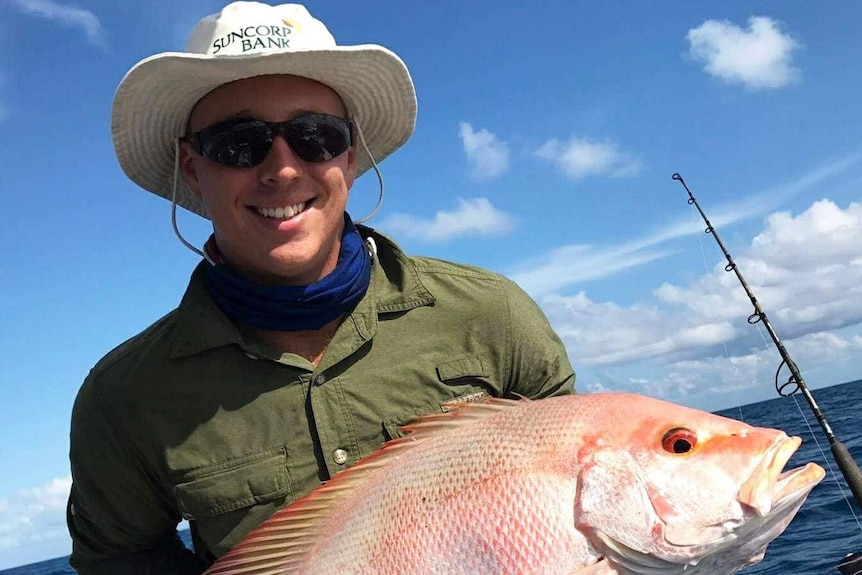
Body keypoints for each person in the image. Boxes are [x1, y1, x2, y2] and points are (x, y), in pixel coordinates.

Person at [66, 2, 576, 573]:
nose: (283, 168)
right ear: (192, 168)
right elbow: (121, 561)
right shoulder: (122, 401)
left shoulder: (491, 314)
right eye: (239, 143)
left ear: (351, 155)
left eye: (315, 136)